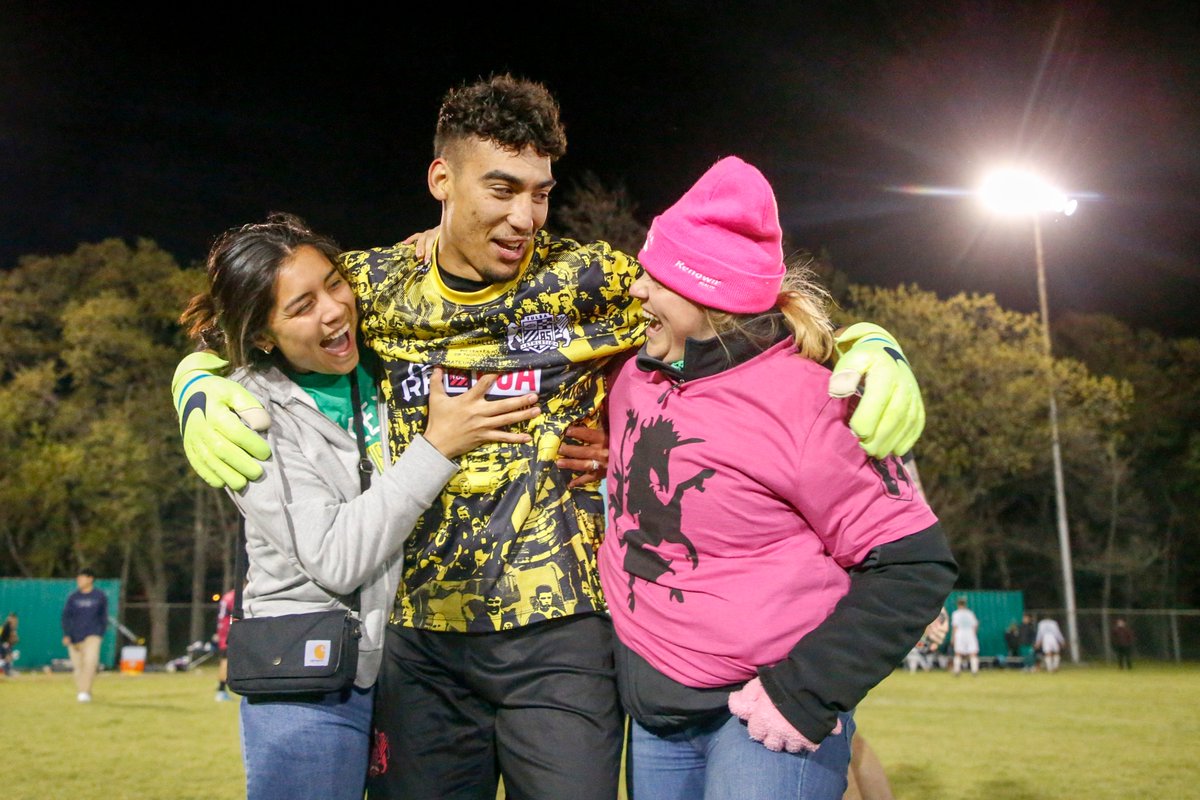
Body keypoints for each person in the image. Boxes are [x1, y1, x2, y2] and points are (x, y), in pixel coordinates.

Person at [170, 75, 927, 799]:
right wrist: (197, 384)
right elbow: (254, 322)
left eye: (540, 193)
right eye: (500, 189)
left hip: (563, 639)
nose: (526, 217)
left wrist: (865, 339)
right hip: (421, 642)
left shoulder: (589, 280)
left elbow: (733, 305)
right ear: (442, 180)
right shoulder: (367, 285)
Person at [597, 156, 957, 799]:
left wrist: (803, 694)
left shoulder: (814, 401)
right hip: (654, 717)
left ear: (704, 289)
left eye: (655, 276)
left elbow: (915, 566)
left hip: (764, 716)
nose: (637, 289)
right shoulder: (634, 375)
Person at [177, 213, 544, 800]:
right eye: (301, 307)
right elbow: (336, 558)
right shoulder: (245, 413)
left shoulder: (387, 359)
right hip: (308, 681)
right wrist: (437, 447)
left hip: (411, 666)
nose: (332, 310)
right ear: (264, 335)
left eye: (334, 283)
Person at [61, 568, 108, 702]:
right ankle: (83, 690)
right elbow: (66, 617)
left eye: (82, 578)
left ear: (90, 579)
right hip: (75, 636)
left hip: (93, 635)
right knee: (78, 666)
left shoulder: (99, 596)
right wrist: (66, 634)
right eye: (78, 578)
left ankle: (84, 692)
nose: (79, 581)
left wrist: (100, 632)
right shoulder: (73, 597)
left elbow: (103, 616)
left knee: (90, 662)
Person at [214, 588, 235, 701]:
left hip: (223, 630)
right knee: (226, 661)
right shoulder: (235, 596)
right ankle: (221, 690)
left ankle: (221, 689)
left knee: (225, 660)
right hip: (229, 631)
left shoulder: (227, 596)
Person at [950, 596, 980, 676]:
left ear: (958, 604)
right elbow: (975, 625)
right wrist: (973, 634)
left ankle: (957, 671)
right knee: (973, 652)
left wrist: (953, 637)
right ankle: (974, 671)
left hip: (960, 633)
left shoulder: (955, 614)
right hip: (970, 633)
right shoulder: (970, 613)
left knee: (958, 653)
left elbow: (955, 627)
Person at [0, 612, 18, 677]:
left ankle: (7, 671)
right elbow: (6, 637)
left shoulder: (11, 626)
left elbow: (14, 639)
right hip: (3, 644)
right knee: (8, 657)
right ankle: (7, 671)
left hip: (7, 644)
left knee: (8, 657)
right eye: (11, 618)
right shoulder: (7, 625)